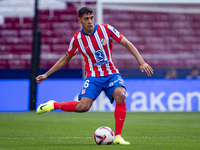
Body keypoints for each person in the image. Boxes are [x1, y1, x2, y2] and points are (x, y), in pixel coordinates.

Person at [36, 7, 153, 145]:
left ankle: (118, 136)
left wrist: (141, 62)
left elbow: (127, 43)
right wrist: (46, 74)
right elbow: (65, 59)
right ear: (79, 20)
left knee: (121, 94)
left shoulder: (106, 29)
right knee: (83, 107)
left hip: (111, 74)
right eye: (86, 19)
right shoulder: (77, 39)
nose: (90, 21)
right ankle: (53, 105)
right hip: (93, 77)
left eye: (91, 18)